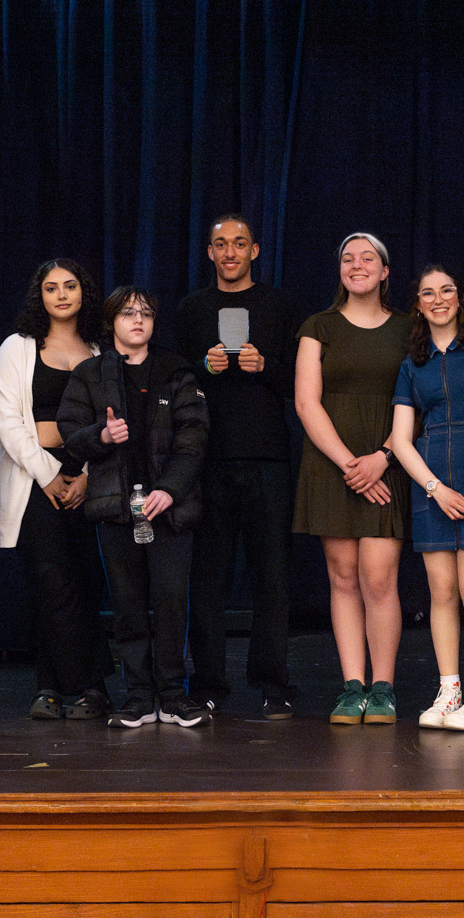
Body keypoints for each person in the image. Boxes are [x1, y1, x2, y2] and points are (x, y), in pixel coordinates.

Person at [59, 287, 211, 728]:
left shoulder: (176, 370)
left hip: (170, 509)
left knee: (169, 601)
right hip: (115, 508)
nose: (138, 320)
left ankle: (172, 694)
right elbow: (70, 433)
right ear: (112, 323)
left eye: (145, 313)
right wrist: (100, 438)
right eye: (128, 313)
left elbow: (194, 438)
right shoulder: (90, 374)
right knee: (127, 603)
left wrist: (170, 490)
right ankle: (139, 695)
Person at [172, 213, 302, 720]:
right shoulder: (192, 309)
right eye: (220, 244)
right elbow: (175, 382)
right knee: (207, 580)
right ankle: (207, 684)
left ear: (254, 250)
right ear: (209, 253)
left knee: (273, 578)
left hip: (268, 457)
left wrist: (264, 367)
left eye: (239, 243)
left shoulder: (279, 306)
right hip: (208, 461)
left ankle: (273, 684)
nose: (230, 252)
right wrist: (204, 369)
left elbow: (302, 382)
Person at [293, 232, 413, 724]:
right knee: (342, 578)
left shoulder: (410, 328)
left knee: (379, 578)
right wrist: (350, 465)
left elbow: (420, 399)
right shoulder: (319, 326)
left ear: (385, 272)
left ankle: (383, 688)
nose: (356, 265)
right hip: (332, 464)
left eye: (368, 258)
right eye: (347, 258)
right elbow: (306, 402)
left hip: (388, 462)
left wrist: (382, 458)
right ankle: (352, 687)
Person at [0, 258, 113, 723]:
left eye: (70, 286)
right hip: (36, 482)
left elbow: (117, 422)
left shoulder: (103, 348)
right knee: (51, 583)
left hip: (94, 479)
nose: (61, 295)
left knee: (88, 582)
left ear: (84, 292)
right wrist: (50, 475)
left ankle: (87, 686)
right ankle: (56, 685)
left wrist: (85, 476)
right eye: (51, 287)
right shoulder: (17, 349)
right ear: (38, 296)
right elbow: (9, 425)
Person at [388, 265, 464, 731]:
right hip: (433, 483)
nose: (439, 299)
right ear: (417, 304)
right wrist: (434, 489)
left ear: (460, 298)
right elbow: (399, 440)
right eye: (428, 293)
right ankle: (449, 689)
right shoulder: (410, 365)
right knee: (441, 592)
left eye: (447, 291)